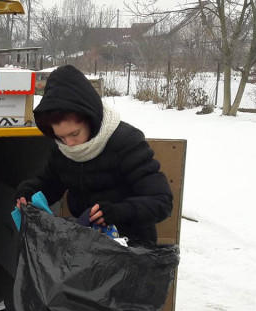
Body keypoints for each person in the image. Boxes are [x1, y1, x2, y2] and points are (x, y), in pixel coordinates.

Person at [15, 65, 173, 244]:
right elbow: (50, 184)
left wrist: (118, 212)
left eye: (74, 134)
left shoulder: (126, 142)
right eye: (60, 137)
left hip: (132, 247)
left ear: (91, 119)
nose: (69, 143)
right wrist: (27, 194)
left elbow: (161, 202)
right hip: (88, 244)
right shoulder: (63, 149)